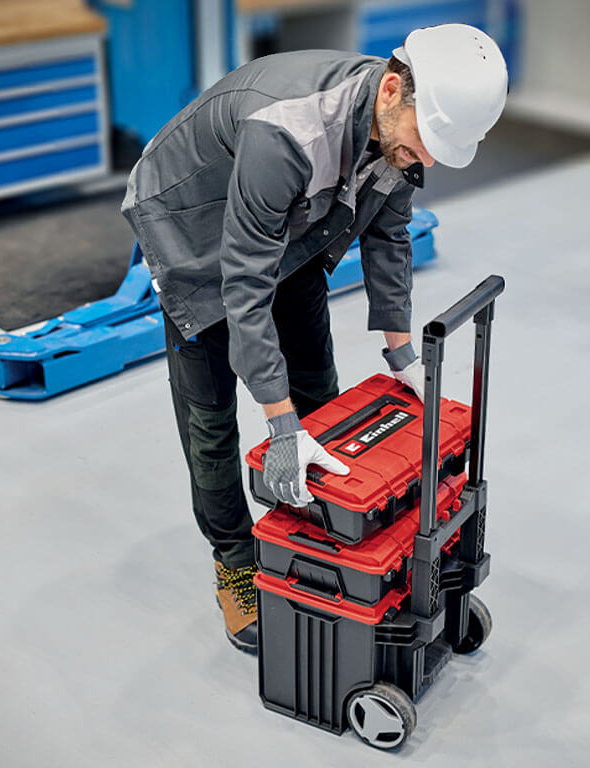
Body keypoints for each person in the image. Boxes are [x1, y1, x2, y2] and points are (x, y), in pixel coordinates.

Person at [121, 24, 508, 653]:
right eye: (424, 142)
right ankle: (236, 562)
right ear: (391, 91)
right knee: (211, 423)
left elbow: (389, 233)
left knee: (319, 397)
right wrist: (278, 426)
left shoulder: (394, 132)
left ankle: (308, 538)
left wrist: (400, 351)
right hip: (193, 231)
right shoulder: (288, 132)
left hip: (293, 219)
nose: (428, 160)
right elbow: (242, 286)